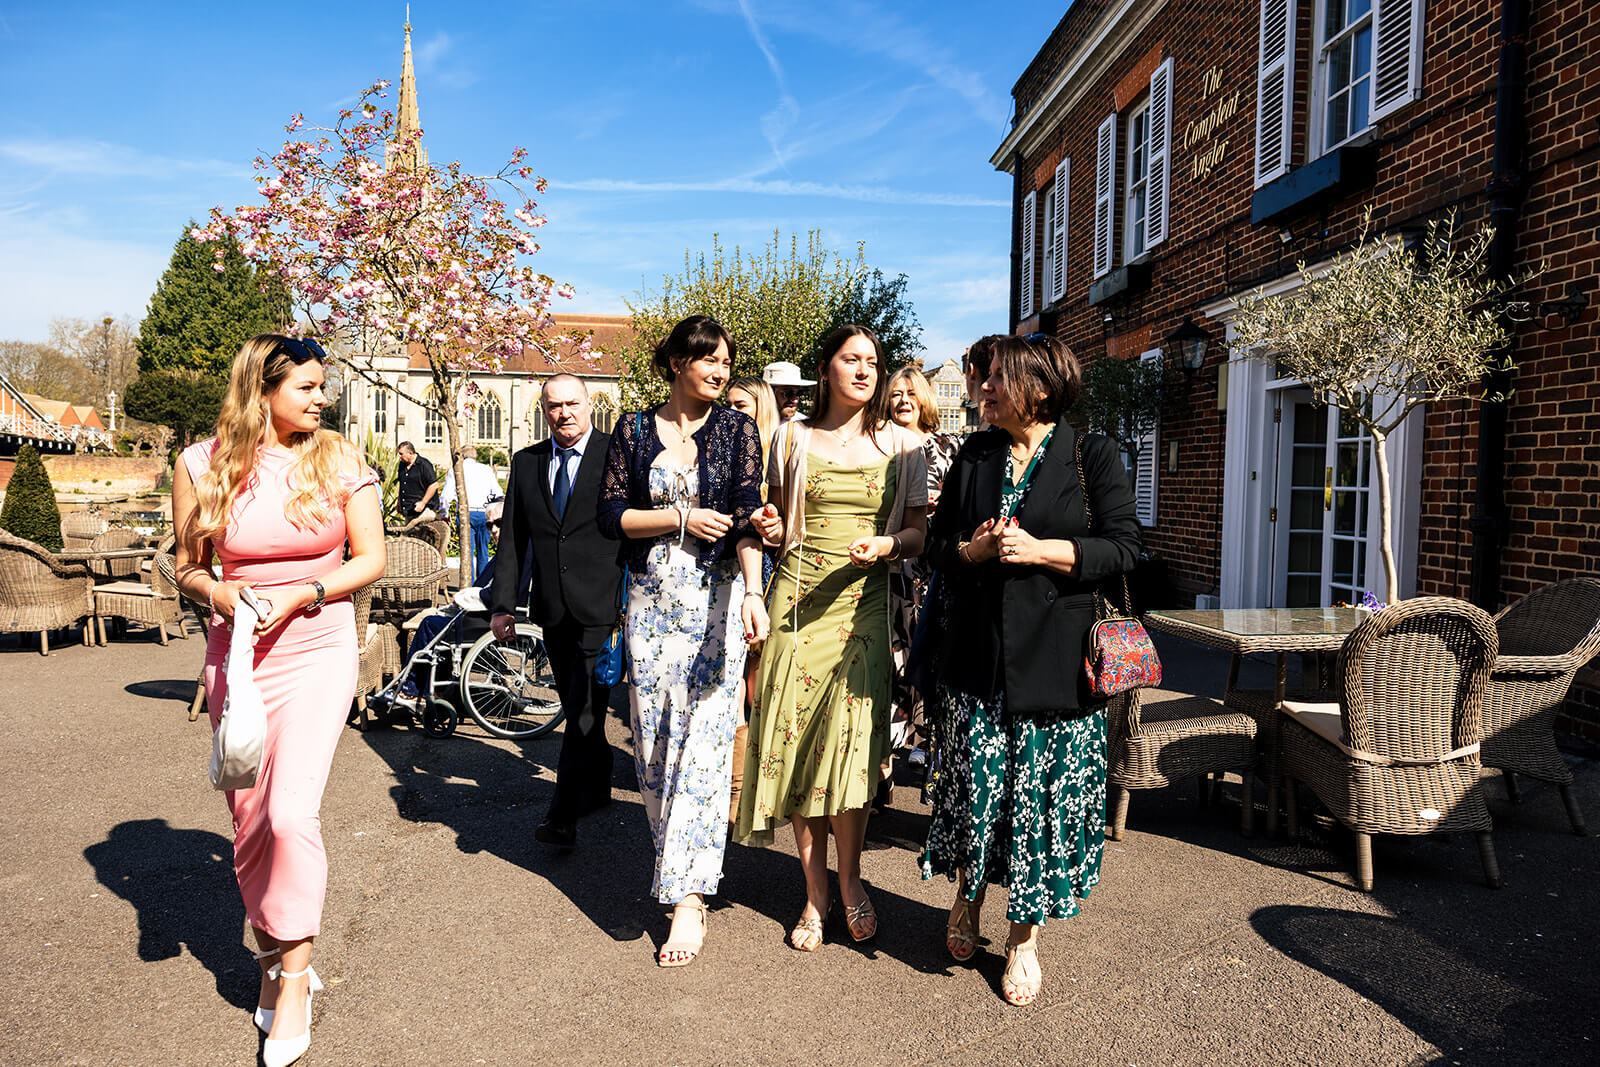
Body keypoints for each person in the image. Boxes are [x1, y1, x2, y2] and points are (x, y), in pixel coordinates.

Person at [171, 334, 384, 1066]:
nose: (322, 399)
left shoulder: (340, 458)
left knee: (292, 813)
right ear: (261, 390)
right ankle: (270, 961)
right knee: (252, 823)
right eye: (308, 388)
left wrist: (309, 591)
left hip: (319, 647)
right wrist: (219, 590)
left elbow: (371, 557)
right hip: (239, 657)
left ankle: (295, 981)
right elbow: (185, 565)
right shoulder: (200, 463)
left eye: (323, 387)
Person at [919, 333, 1141, 1007]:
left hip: (1058, 667)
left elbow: (1126, 548)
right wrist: (974, 549)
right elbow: (936, 548)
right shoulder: (975, 453)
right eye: (982, 379)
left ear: (1037, 387)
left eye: (995, 380)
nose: (982, 388)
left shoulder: (1090, 453)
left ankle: (1023, 938)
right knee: (979, 795)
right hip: (977, 666)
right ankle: (966, 896)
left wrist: (1044, 550)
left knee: (1038, 810)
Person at [735, 324, 928, 952]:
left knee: (848, 753)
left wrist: (889, 544)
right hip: (794, 606)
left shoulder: (904, 446)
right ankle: (814, 892)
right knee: (797, 749)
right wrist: (764, 534)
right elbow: (769, 521)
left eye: (873, 361)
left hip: (863, 611)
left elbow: (920, 537)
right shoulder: (789, 436)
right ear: (827, 368)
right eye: (852, 359)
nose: (866, 370)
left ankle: (852, 881)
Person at [597, 315, 774, 967]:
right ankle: (678, 867)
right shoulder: (636, 430)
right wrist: (678, 515)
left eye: (727, 360)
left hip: (718, 598)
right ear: (675, 362)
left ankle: (688, 900)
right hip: (650, 602)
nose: (720, 369)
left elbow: (750, 516)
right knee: (653, 750)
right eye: (707, 358)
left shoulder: (739, 430)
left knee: (702, 748)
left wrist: (755, 590)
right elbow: (612, 515)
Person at [488, 374, 623, 849]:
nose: (564, 412)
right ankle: (600, 780)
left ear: (590, 405)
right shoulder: (526, 464)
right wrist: (503, 604)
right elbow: (515, 542)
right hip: (551, 609)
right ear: (542, 410)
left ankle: (562, 815)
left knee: (583, 709)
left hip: (603, 608)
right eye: (554, 406)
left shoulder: (616, 455)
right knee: (577, 704)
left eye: (572, 403)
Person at [882, 366, 961, 804]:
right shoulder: (880, 444)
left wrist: (940, 506)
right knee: (893, 667)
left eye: (911, 393)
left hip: (935, 573)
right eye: (895, 393)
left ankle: (935, 769)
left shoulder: (947, 446)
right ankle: (882, 772)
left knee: (933, 669)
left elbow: (964, 503)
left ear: (925, 399)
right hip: (893, 570)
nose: (903, 400)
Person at [723, 376, 781, 820]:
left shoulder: (777, 454)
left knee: (759, 687)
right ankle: (737, 791)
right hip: (732, 578)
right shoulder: (726, 451)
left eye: (741, 404)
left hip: (771, 580)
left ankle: (761, 785)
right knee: (736, 686)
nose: (732, 411)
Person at [439, 446, 501, 579]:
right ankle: (481, 585)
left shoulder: (456, 470)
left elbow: (445, 497)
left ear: (462, 456)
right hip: (484, 513)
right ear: (475, 456)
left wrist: (445, 514)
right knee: (483, 551)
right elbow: (498, 493)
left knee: (466, 553)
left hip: (464, 514)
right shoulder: (486, 470)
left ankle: (469, 585)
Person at [395, 441, 439, 522]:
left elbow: (434, 485)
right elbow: (402, 485)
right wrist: (399, 502)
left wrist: (423, 503)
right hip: (409, 511)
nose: (400, 457)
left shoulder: (424, 464)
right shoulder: (402, 466)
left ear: (410, 453)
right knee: (408, 534)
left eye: (401, 454)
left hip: (424, 511)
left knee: (422, 534)